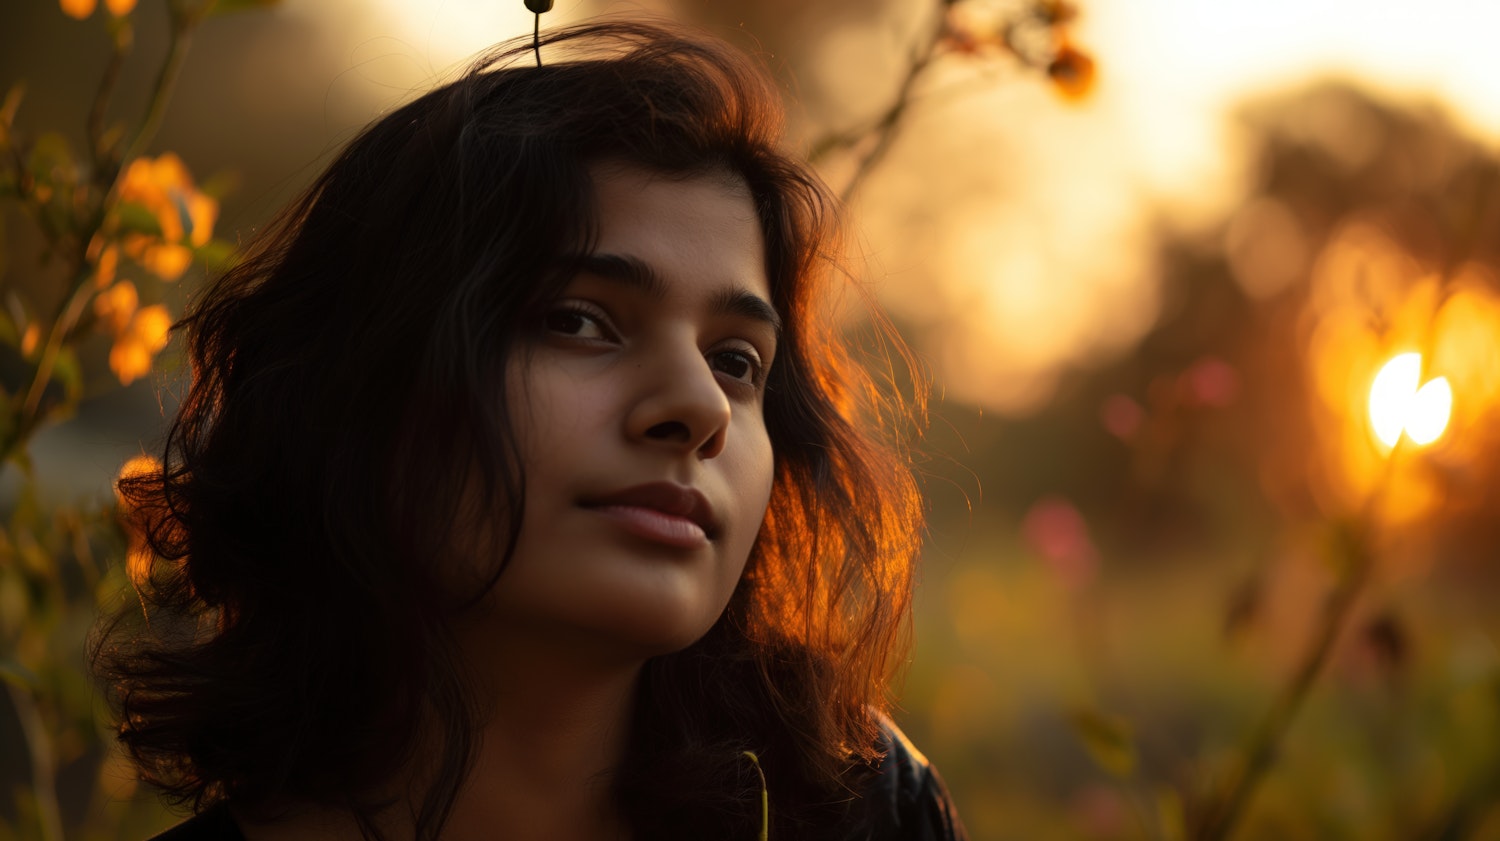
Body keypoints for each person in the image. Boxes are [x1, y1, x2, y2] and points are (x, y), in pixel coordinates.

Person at [95, 19, 966, 841]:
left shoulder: (864, 810)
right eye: (580, 321)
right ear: (359, 382)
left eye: (738, 361)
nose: (699, 408)